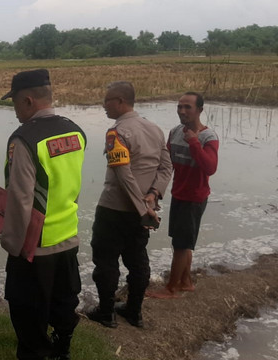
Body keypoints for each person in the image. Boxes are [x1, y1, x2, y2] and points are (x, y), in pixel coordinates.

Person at [0, 69, 86, 360]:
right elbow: (72, 185)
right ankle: (62, 351)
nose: (14, 111)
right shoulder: (75, 130)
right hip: (68, 237)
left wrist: (12, 246)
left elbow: (21, 199)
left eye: (14, 104)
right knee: (63, 307)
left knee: (29, 321)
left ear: (27, 100)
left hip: (34, 248)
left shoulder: (24, 140)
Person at [86, 81, 172, 328]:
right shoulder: (155, 129)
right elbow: (166, 167)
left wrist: (144, 206)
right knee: (137, 260)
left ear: (121, 102)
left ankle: (106, 312)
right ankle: (134, 311)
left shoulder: (117, 132)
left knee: (106, 260)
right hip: (143, 212)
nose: (104, 105)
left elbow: (123, 172)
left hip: (114, 209)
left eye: (107, 100)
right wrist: (152, 196)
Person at [148, 92, 219, 299]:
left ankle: (171, 288)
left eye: (187, 107)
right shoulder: (175, 132)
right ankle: (186, 282)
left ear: (199, 110)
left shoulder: (208, 137)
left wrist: (194, 142)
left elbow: (210, 168)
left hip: (195, 198)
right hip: (178, 194)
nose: (182, 111)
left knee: (181, 244)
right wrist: (156, 192)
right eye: (179, 107)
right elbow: (166, 165)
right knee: (182, 241)